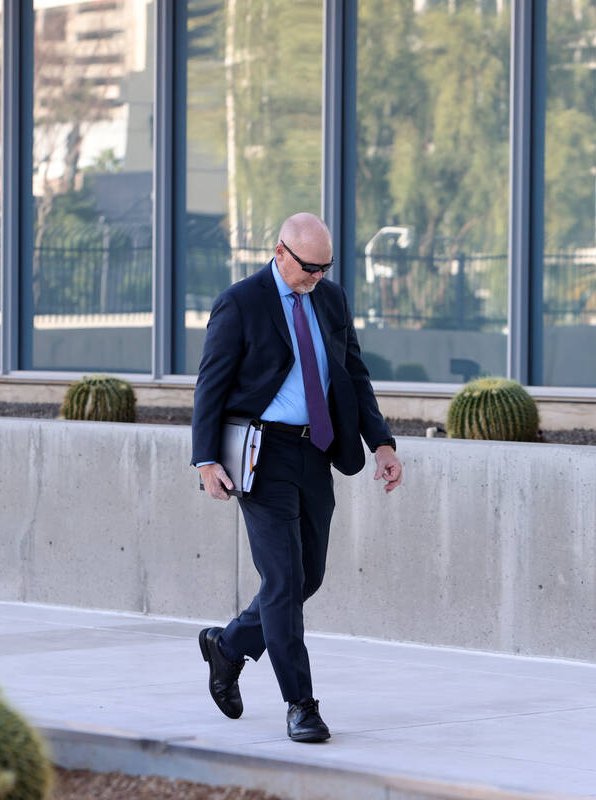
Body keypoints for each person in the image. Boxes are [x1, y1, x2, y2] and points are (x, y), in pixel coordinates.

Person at [191, 212, 404, 743]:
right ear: (280, 252)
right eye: (309, 267)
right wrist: (205, 459)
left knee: (307, 577)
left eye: (325, 267)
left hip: (316, 450)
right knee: (284, 581)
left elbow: (354, 374)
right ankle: (301, 705)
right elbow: (210, 385)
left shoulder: (330, 299)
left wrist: (380, 442)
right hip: (262, 455)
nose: (317, 276)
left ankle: (228, 646)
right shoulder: (241, 302)